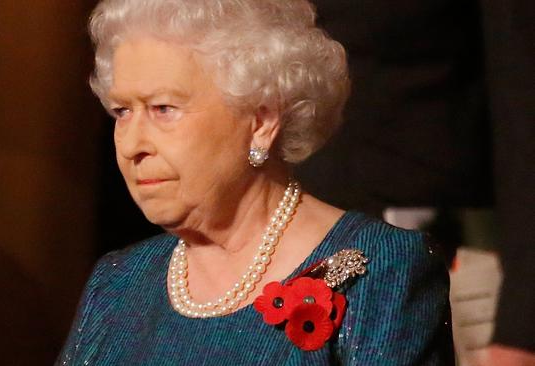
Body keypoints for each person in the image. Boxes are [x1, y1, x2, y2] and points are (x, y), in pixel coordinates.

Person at [57, 0, 453, 364]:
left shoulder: (381, 271)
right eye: (122, 111)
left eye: (163, 109)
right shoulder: (117, 283)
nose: (132, 145)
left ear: (261, 120)